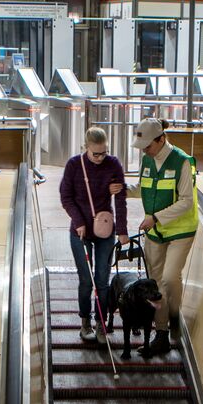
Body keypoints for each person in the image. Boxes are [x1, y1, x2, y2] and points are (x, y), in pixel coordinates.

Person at [126, 117, 196, 356]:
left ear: (161, 139)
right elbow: (144, 188)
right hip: (155, 234)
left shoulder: (183, 162)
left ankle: (175, 316)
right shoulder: (147, 160)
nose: (144, 150)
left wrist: (155, 217)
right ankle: (162, 333)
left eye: (148, 145)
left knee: (168, 278)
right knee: (155, 285)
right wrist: (122, 190)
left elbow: (187, 201)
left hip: (180, 231)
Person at [61, 127, 129, 343]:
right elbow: (66, 196)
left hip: (104, 230)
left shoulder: (113, 164)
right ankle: (85, 322)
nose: (100, 158)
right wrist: (79, 222)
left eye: (103, 153)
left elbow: (120, 199)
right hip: (79, 232)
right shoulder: (74, 165)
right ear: (86, 148)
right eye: (95, 154)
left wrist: (122, 231)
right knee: (86, 279)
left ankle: (101, 322)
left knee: (102, 279)